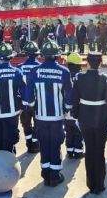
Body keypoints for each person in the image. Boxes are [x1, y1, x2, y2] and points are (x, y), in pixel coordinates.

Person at [24, 40, 73, 186]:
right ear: (57, 55)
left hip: (40, 117)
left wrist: (33, 106)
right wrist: (66, 109)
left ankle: (45, 174)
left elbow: (29, 95)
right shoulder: (64, 71)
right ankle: (55, 175)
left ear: (42, 55)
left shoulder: (34, 71)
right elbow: (69, 95)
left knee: (44, 144)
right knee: (56, 144)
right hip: (57, 117)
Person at [71, 51, 107, 194]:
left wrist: (76, 116)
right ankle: (99, 184)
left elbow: (75, 100)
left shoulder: (79, 78)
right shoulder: (106, 79)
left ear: (88, 62)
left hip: (85, 118)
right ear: (100, 63)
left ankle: (91, 184)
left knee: (89, 151)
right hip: (101, 118)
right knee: (99, 151)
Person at [18, 41, 42, 153]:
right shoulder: (40, 68)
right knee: (38, 124)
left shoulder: (19, 68)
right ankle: (36, 144)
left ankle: (29, 144)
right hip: (38, 103)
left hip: (23, 103)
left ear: (26, 54)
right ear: (37, 54)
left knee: (26, 125)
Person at [65, 52, 86, 158]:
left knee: (68, 132)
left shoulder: (64, 75)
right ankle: (78, 152)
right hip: (78, 111)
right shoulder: (81, 77)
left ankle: (69, 151)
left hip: (66, 111)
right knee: (78, 133)